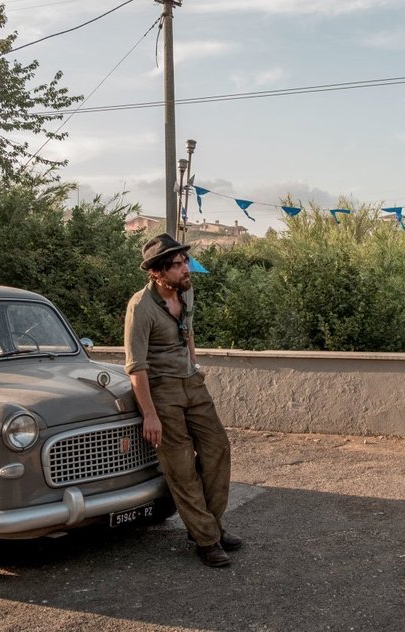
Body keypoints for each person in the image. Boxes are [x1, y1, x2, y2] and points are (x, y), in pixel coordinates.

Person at [124, 233, 242, 567]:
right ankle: (207, 540)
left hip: (192, 383)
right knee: (181, 467)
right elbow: (136, 366)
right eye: (176, 265)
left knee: (217, 449)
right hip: (162, 391)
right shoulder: (141, 307)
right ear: (157, 273)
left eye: (185, 262)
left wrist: (195, 365)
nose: (185, 269)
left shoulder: (186, 293)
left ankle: (209, 525)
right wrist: (150, 415)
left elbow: (187, 333)